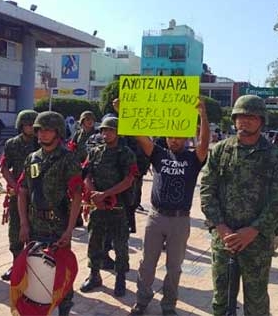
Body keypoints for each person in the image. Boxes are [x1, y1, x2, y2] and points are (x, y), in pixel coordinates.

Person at [200, 95, 278, 316]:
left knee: (256, 303)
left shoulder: (274, 156)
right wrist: (221, 229)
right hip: (224, 241)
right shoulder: (221, 151)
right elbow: (206, 191)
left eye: (251, 117)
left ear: (261, 121)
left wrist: (253, 231)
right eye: (240, 116)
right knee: (221, 300)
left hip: (257, 243)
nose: (245, 121)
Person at [130, 99, 210, 316]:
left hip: (180, 220)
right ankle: (142, 301)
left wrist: (202, 114)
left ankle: (168, 306)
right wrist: (125, 111)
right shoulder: (158, 154)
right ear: (166, 137)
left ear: (185, 138)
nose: (174, 140)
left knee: (174, 267)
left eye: (179, 137)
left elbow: (204, 144)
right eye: (171, 136)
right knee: (147, 264)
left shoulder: (194, 158)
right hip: (156, 218)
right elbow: (140, 136)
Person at [17, 111, 83, 316]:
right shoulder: (32, 158)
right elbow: (22, 192)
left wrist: (70, 230)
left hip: (58, 227)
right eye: (39, 130)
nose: (42, 134)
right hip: (35, 225)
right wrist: (24, 224)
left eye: (48, 130)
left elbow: (77, 196)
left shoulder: (68, 159)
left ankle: (64, 310)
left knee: (60, 273)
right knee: (35, 272)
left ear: (58, 132)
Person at [79, 117, 137, 297]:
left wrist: (106, 194)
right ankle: (94, 274)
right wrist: (94, 194)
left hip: (118, 207)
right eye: (103, 130)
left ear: (118, 132)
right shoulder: (95, 152)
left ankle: (120, 277)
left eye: (110, 130)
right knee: (95, 241)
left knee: (120, 244)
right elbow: (86, 175)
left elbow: (129, 180)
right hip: (98, 206)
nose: (106, 133)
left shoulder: (126, 153)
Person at [0, 109, 39, 281]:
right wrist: (13, 185)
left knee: (35, 228)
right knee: (15, 229)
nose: (30, 128)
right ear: (21, 125)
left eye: (33, 125)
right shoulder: (12, 143)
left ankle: (32, 265)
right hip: (17, 191)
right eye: (27, 125)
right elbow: (4, 166)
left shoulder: (42, 143)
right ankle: (16, 263)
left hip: (37, 192)